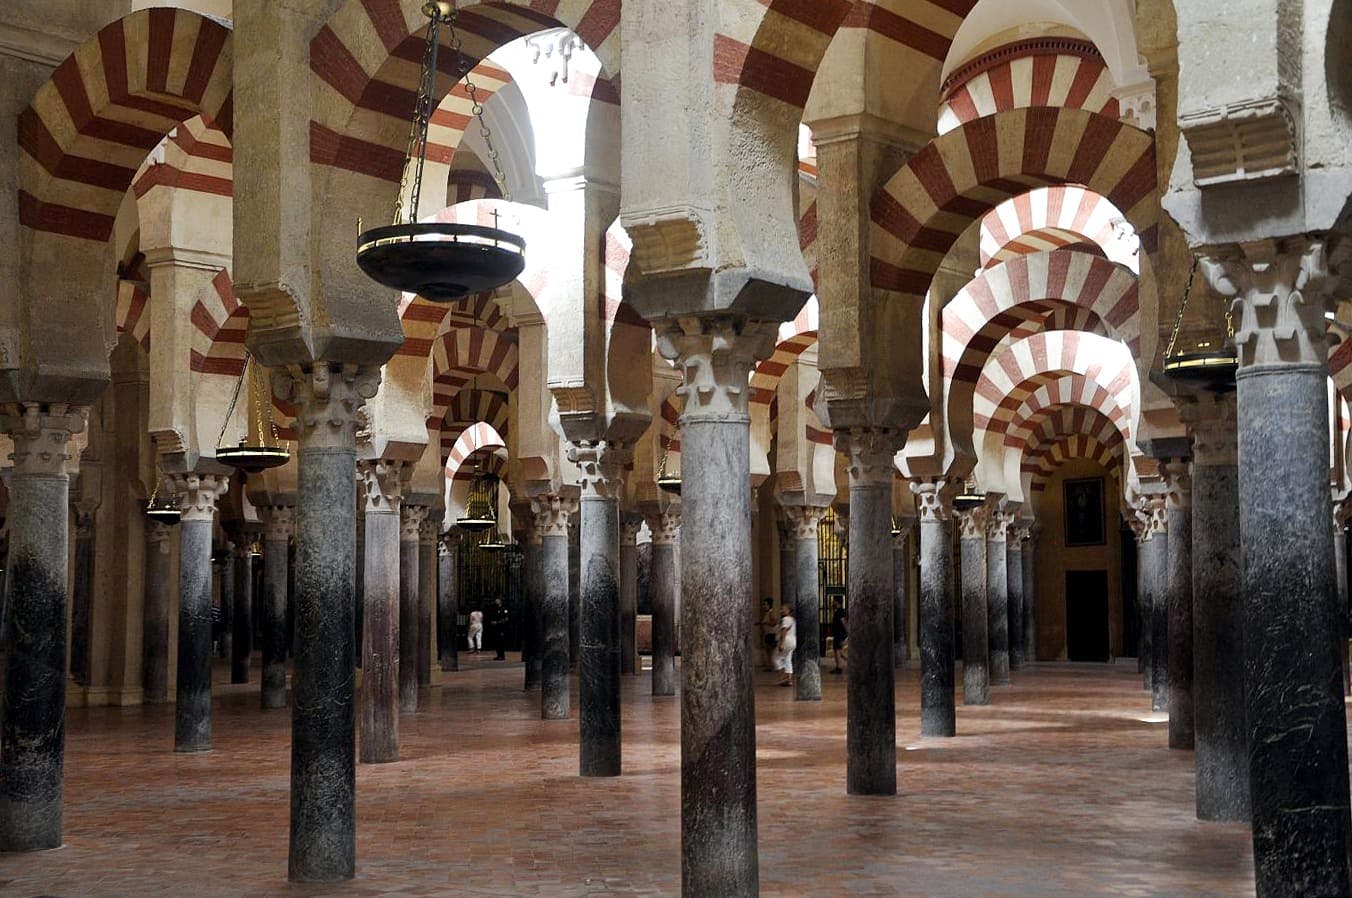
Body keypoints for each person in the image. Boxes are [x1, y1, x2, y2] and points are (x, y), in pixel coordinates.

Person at [774, 605, 797, 686]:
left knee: (776, 659)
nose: (781, 610)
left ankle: (784, 677)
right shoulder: (792, 619)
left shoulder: (786, 619)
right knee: (788, 659)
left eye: (783, 609)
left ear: (788, 610)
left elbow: (784, 631)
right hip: (792, 641)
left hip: (786, 640)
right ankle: (789, 679)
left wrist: (782, 643)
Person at [759, 597, 778, 671]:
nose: (764, 606)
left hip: (771, 634)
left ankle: (772, 666)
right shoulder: (767, 613)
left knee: (770, 651)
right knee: (768, 650)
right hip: (768, 634)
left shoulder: (771, 613)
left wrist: (765, 623)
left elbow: (774, 623)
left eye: (765, 604)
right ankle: (770, 666)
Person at [831, 597, 848, 674]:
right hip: (838, 633)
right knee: (839, 651)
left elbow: (843, 621)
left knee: (837, 650)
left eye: (833, 601)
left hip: (839, 633)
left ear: (837, 602)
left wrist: (847, 631)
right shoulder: (837, 611)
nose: (832, 602)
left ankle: (839, 667)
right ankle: (846, 663)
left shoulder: (840, 611)